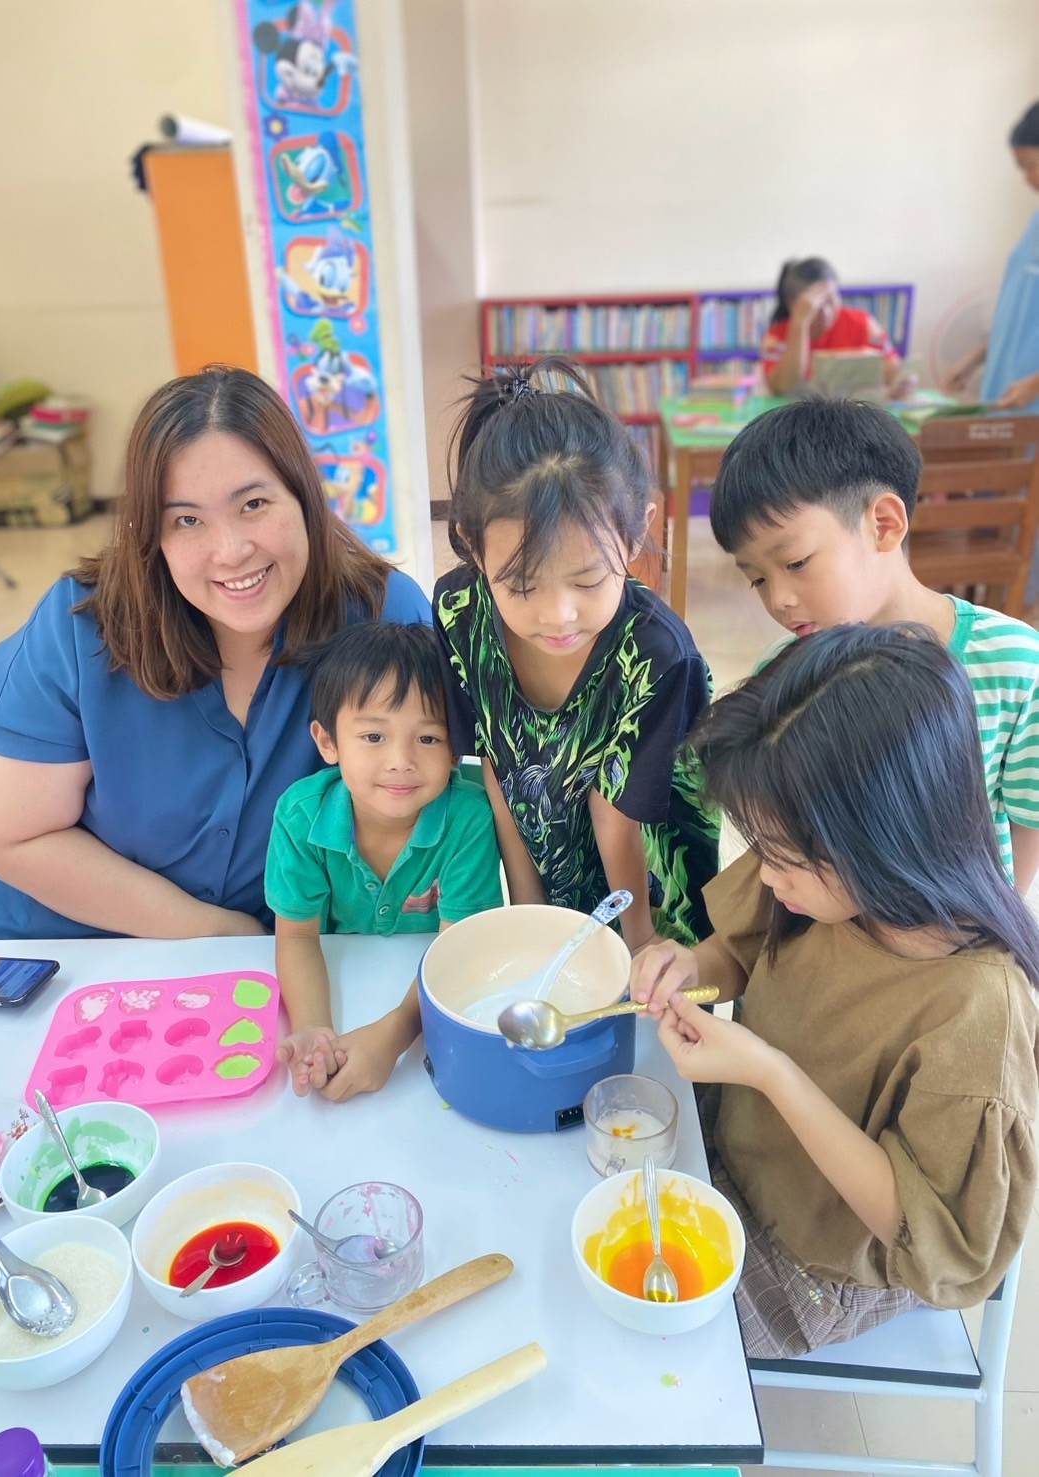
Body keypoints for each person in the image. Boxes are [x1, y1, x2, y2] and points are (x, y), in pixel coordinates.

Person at [631, 624, 1039, 1359]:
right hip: (733, 1141)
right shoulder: (817, 880)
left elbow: (939, 1247)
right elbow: (739, 950)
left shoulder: (977, 1011)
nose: (766, 874)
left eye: (781, 857)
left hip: (817, 1258)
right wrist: (689, 965)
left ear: (884, 842)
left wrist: (771, 1073)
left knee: (645, 1346)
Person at [0, 366, 430, 941]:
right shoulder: (81, 624)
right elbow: (16, 836)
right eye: (187, 520)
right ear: (152, 533)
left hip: (270, 957)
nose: (231, 551)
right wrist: (218, 933)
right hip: (35, 934)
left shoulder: (383, 615)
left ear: (305, 497)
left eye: (254, 504)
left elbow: (444, 788)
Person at [433, 356, 719, 954]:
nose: (558, 615)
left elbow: (618, 812)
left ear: (636, 533)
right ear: (471, 547)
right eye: (522, 586)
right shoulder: (460, 613)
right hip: (556, 880)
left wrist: (638, 946)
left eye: (588, 580)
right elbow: (496, 763)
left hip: (653, 906)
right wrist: (531, 910)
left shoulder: (658, 656)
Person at [709, 396, 1039, 893]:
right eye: (757, 579)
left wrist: (1003, 916)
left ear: (884, 524)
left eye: (796, 563)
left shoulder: (1012, 662)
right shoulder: (785, 668)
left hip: (958, 923)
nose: (778, 600)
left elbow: (1029, 820)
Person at [265, 621, 503, 1101]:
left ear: (455, 748)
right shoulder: (299, 816)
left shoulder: (469, 819)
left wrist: (394, 1034)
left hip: (431, 995)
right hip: (346, 977)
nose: (401, 761)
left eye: (429, 739)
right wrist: (314, 1028)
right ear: (328, 741)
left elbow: (458, 951)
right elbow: (296, 936)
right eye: (374, 736)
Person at [946, 101, 1039, 412]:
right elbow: (1020, 315)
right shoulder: (1035, 222)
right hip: (1008, 389)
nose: (1027, 178)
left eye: (1030, 165)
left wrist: (1035, 384)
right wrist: (974, 359)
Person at [760, 257, 910, 398]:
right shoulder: (776, 336)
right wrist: (800, 324)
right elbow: (783, 388)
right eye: (817, 304)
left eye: (831, 300)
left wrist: (902, 383)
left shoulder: (862, 323)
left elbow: (894, 373)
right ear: (792, 304)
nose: (827, 312)